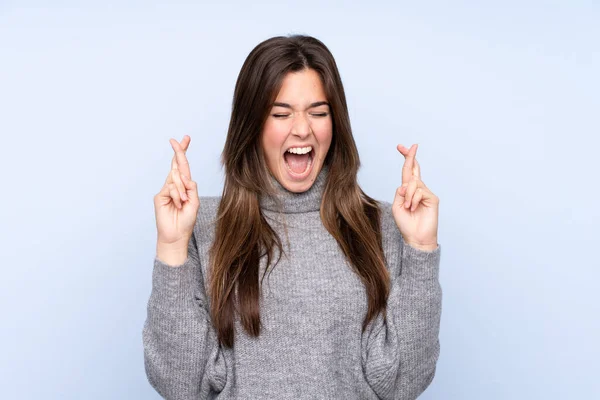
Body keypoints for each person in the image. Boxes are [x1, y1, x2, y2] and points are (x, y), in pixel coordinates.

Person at [143, 34, 442, 400]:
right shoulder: (202, 227)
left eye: (318, 113)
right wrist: (172, 247)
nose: (302, 129)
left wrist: (421, 249)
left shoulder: (380, 226)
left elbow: (402, 383)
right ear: (251, 126)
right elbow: (182, 386)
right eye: (281, 114)